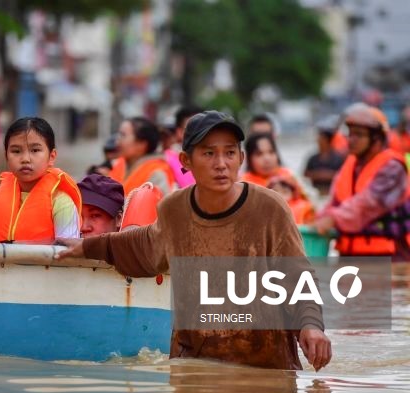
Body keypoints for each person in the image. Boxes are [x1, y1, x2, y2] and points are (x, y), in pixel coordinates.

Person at [56, 111, 332, 371]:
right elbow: (144, 246)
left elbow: (297, 277)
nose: (221, 164)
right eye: (209, 153)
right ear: (186, 161)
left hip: (265, 364)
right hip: (197, 364)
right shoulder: (175, 209)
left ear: (241, 158)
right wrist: (88, 246)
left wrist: (311, 325)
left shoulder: (270, 208)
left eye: (229, 153)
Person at [312, 103, 410, 259]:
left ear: (377, 139)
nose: (351, 139)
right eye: (350, 134)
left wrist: (332, 218)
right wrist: (318, 219)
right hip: (350, 256)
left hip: (391, 257)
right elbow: (333, 202)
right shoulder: (349, 166)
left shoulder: (392, 168)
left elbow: (369, 204)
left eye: (358, 135)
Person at [0, 117, 81, 243]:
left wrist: (17, 246)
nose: (25, 159)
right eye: (16, 151)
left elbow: (68, 251)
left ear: (51, 156)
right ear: (6, 156)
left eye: (35, 150)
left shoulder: (61, 203)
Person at [109, 116, 174, 196]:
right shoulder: (119, 163)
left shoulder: (157, 173)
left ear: (142, 144)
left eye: (123, 135)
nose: (117, 141)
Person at [303, 116, 347, 196]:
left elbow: (344, 175)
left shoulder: (338, 158)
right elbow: (304, 174)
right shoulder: (313, 158)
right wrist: (317, 174)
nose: (318, 140)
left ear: (328, 140)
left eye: (321, 138)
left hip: (333, 193)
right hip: (315, 192)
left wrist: (329, 175)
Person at [164, 106, 202, 189]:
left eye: (203, 127)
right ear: (179, 132)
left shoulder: (218, 157)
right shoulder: (166, 160)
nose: (199, 132)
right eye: (192, 128)